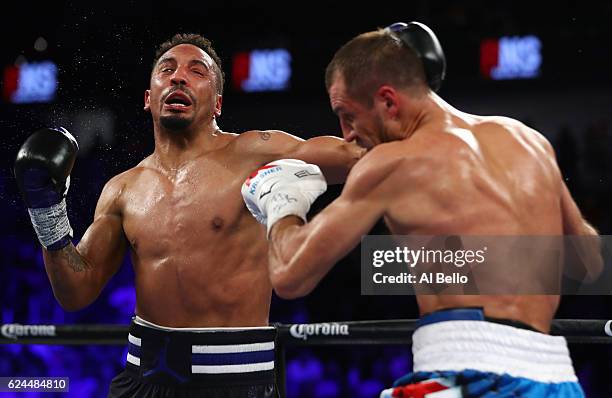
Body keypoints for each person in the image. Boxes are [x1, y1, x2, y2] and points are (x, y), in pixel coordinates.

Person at [241, 22, 602, 397]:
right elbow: (589, 262)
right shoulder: (530, 142)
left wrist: (281, 203)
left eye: (347, 115)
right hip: (556, 379)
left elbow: (289, 275)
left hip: (466, 372)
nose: (346, 133)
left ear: (388, 101)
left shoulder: (394, 162)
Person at [13, 33, 363, 397]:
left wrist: (413, 111)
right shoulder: (122, 189)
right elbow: (75, 291)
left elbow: (356, 158)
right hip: (144, 379)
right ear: (148, 99)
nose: (178, 77)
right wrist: (46, 211)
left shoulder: (257, 151)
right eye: (167, 70)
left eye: (197, 71)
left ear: (218, 104)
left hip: (236, 378)